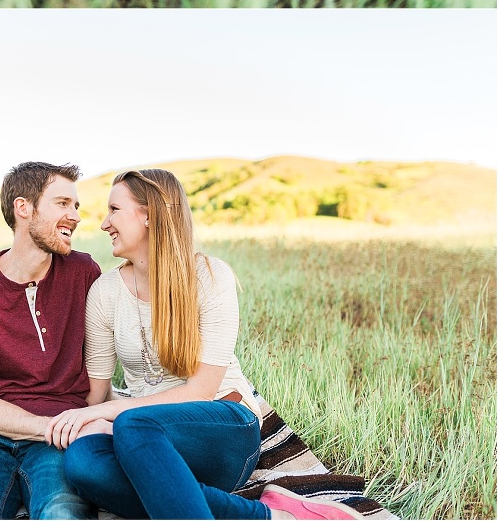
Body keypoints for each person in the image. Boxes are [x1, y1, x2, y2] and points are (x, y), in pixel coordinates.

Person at [56, 168, 360, 521]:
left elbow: (200, 391)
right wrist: (86, 420)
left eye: (114, 210)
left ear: (149, 215)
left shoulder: (210, 277)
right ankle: (270, 515)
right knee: (82, 463)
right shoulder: (105, 293)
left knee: (134, 425)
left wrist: (108, 416)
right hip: (143, 443)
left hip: (222, 428)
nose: (104, 223)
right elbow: (96, 396)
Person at [0, 161, 99, 518]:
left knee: (63, 512)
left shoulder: (84, 273)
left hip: (59, 437)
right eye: (62, 203)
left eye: (76, 206)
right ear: (23, 208)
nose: (75, 216)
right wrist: (51, 427)